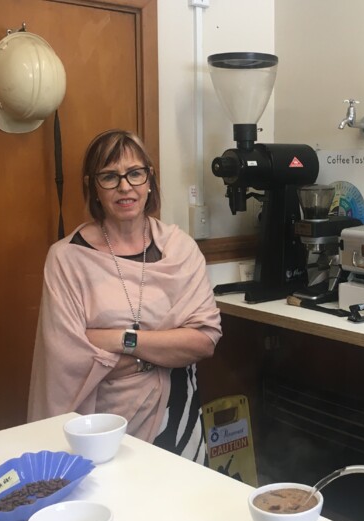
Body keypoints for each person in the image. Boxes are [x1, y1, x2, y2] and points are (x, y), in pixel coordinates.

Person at [28, 129, 221, 464]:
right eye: (109, 177)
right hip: (101, 424)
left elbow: (203, 341)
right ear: (92, 187)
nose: (124, 186)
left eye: (135, 173)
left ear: (150, 181)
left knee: (177, 508)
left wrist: (120, 340)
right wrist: (165, 349)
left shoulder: (179, 249)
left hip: (178, 417)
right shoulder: (67, 259)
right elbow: (68, 361)